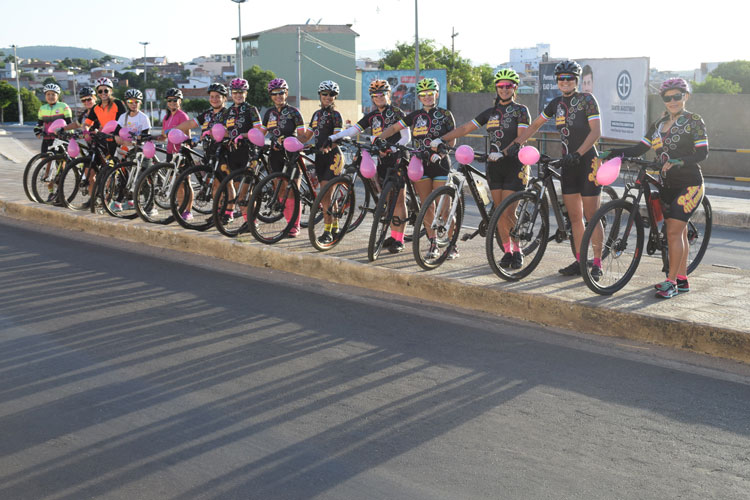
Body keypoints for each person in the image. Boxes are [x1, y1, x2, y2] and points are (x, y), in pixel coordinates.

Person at [603, 78, 707, 298]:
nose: (672, 101)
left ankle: (671, 283)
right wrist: (614, 152)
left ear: (685, 97)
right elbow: (640, 148)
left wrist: (680, 161)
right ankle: (682, 280)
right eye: (667, 98)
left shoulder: (694, 120)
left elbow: (702, 153)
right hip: (667, 184)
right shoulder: (658, 125)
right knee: (677, 233)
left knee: (673, 231)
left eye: (677, 96)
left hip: (689, 184)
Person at [512, 60, 604, 278]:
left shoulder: (587, 100)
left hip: (588, 162)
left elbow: (596, 132)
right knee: (575, 218)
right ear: (557, 81)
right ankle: (581, 261)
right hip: (568, 165)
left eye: (569, 78)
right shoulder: (555, 104)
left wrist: (578, 154)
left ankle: (597, 262)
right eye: (561, 78)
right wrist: (515, 145)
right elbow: (535, 125)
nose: (565, 82)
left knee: (592, 216)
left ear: (576, 80)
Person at [431, 68, 531, 267]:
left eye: (508, 86)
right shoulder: (491, 113)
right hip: (494, 167)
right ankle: (507, 251)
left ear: (514, 88)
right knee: (498, 212)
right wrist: (442, 138)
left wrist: (503, 153)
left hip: (514, 165)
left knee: (509, 212)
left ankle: (518, 250)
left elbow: (521, 138)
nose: (504, 89)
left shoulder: (521, 111)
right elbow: (466, 128)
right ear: (496, 88)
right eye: (501, 86)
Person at [327, 79, 410, 252]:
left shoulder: (396, 112)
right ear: (372, 98)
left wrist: (393, 148)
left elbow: (406, 136)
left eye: (382, 94)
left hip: (397, 157)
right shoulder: (372, 116)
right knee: (387, 199)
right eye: (375, 95)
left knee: (398, 200)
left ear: (388, 94)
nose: (378, 97)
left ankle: (398, 240)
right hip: (381, 159)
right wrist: (333, 138)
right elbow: (353, 130)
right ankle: (393, 234)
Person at [377, 77, 457, 259]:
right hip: (420, 165)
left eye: (431, 94)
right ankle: (433, 243)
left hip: (440, 164)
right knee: (426, 206)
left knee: (444, 208)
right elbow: (394, 128)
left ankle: (452, 245)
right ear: (419, 97)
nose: (427, 97)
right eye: (423, 94)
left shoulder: (445, 114)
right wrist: (380, 139)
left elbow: (452, 138)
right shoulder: (415, 116)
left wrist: (443, 154)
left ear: (436, 94)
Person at [175, 83, 230, 221]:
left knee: (219, 183)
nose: (214, 99)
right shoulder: (207, 114)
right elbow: (191, 124)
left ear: (224, 99)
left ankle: (224, 212)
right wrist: (175, 129)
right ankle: (217, 212)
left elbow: (231, 131)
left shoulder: (228, 113)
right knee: (213, 184)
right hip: (209, 152)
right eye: (212, 97)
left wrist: (212, 133)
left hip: (223, 151)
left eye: (218, 97)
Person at [298, 80, 344, 244]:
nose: (328, 97)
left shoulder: (336, 115)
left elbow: (338, 137)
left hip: (333, 156)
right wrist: (292, 135)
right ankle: (335, 227)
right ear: (320, 95)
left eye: (331, 94)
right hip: (319, 157)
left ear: (335, 97)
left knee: (325, 193)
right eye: (325, 94)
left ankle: (328, 232)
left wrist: (328, 147)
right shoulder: (316, 114)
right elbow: (306, 136)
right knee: (326, 197)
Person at [260, 78, 306, 237]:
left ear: (286, 93)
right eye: (275, 93)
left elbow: (302, 136)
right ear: (271, 96)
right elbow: (262, 133)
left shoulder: (294, 112)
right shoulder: (269, 113)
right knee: (279, 190)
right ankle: (288, 223)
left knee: (293, 190)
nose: (278, 96)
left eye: (281, 93)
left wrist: (291, 141)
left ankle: (294, 226)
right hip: (275, 154)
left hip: (291, 153)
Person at [224, 78, 262, 226]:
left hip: (249, 153)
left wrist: (243, 135)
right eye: (235, 92)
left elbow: (258, 130)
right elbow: (223, 130)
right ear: (231, 94)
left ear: (246, 93)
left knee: (244, 193)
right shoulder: (229, 111)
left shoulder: (251, 109)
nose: (238, 95)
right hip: (233, 153)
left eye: (241, 92)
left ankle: (252, 222)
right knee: (238, 191)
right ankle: (248, 221)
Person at [86, 77, 127, 156]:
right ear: (97, 93)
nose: (103, 93)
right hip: (104, 138)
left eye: (106, 90)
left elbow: (125, 119)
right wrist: (85, 131)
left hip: (118, 138)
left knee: (118, 165)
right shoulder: (95, 107)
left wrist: (117, 133)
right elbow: (87, 123)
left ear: (111, 91)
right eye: (100, 91)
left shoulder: (117, 103)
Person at [35, 83, 72, 154]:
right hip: (47, 138)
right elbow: (39, 123)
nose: (50, 96)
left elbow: (69, 122)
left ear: (58, 96)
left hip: (61, 138)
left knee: (61, 160)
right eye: (48, 94)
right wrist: (37, 130)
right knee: (45, 158)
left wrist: (70, 133)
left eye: (53, 94)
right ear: (45, 96)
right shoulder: (42, 108)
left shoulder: (64, 106)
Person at [160, 88, 190, 162]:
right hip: (169, 152)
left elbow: (187, 137)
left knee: (183, 174)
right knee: (170, 173)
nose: (172, 102)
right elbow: (163, 135)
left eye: (175, 100)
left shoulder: (183, 116)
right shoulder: (166, 117)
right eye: (169, 100)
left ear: (180, 101)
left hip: (180, 153)